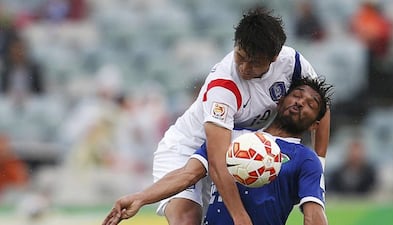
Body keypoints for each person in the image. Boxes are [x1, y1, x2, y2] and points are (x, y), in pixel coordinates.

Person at [151, 6, 331, 225]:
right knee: (188, 218)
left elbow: (321, 104)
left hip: (239, 146)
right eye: (240, 56)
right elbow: (217, 160)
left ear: (274, 58)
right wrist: (239, 217)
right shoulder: (224, 86)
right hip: (191, 147)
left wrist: (318, 166)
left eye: (254, 62)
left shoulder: (292, 63)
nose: (244, 67)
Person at [102, 77, 332, 225]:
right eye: (297, 95)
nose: (301, 102)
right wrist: (140, 197)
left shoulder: (305, 160)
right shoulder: (232, 136)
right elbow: (187, 174)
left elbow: (313, 215)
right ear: (280, 101)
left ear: (314, 125)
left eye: (311, 104)